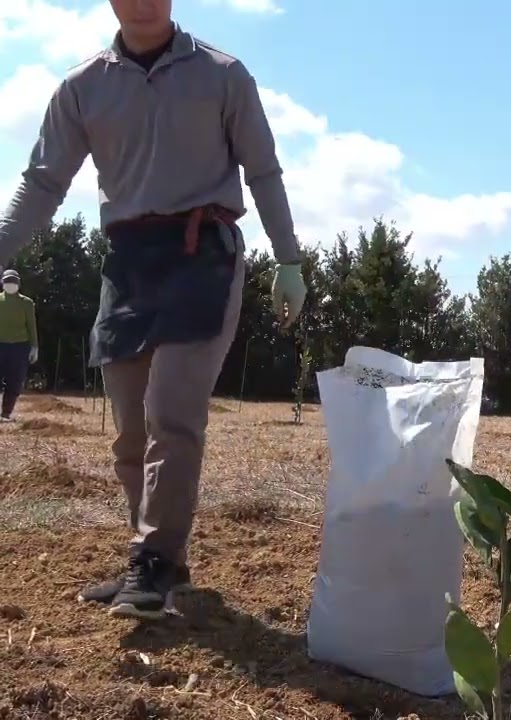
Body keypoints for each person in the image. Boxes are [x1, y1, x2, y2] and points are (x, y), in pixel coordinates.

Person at [0, 0, 307, 620]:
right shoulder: (82, 87)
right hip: (129, 263)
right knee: (130, 435)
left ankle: (156, 560)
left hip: (203, 254)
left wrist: (289, 258)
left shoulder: (223, 74)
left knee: (171, 413)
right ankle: (158, 559)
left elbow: (263, 170)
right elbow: (43, 182)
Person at [0, 269, 39, 421]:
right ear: (2, 283)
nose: (10, 284)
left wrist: (34, 347)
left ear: (19, 284)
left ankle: (6, 414)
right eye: (7, 281)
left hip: (20, 347)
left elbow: (31, 326)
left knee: (15, 381)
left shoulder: (27, 303)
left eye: (13, 281)